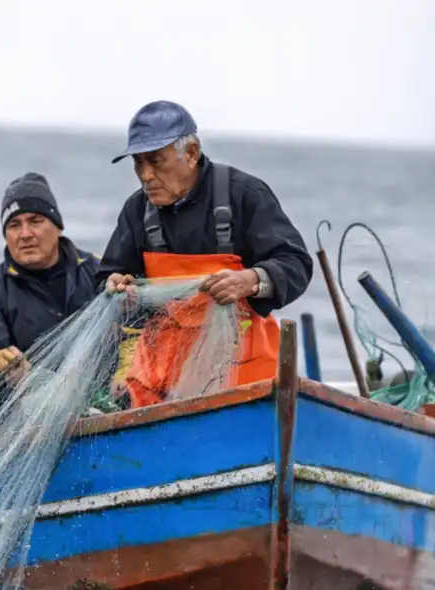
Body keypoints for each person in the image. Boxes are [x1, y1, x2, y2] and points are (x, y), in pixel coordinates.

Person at [97, 100, 313, 407]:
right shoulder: (136, 210)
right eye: (138, 163)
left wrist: (252, 280)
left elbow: (296, 263)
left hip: (241, 374)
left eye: (156, 161)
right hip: (161, 379)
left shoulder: (244, 194)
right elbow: (107, 278)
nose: (145, 175)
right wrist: (115, 286)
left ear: (191, 152)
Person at [0, 173, 99, 411]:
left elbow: (132, 331)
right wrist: (0, 369)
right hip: (28, 415)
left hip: (103, 403)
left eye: (35, 221)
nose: (25, 234)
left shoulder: (101, 271)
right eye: (14, 225)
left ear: (58, 227)